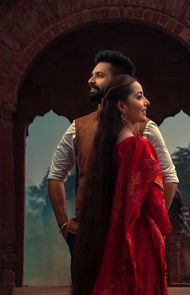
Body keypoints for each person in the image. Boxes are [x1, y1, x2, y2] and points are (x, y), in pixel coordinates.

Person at [48, 50, 178, 255]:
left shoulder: (146, 128)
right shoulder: (78, 127)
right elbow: (55, 176)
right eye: (92, 74)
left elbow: (169, 178)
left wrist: (153, 227)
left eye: (99, 75)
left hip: (130, 239)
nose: (90, 80)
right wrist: (65, 227)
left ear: (119, 82)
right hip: (86, 236)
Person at [72, 74, 172, 295]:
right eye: (139, 97)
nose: (147, 102)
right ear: (122, 106)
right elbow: (157, 206)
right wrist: (162, 228)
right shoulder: (139, 147)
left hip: (112, 236)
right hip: (139, 239)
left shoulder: (106, 148)